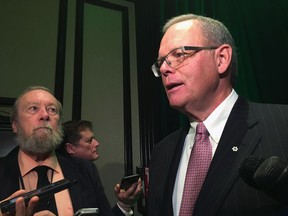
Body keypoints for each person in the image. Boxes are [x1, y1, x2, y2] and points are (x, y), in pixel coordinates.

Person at [147, 13, 288, 216]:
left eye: (179, 55)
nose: (164, 69)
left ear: (221, 59)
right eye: (161, 62)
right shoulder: (162, 152)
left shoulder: (282, 126)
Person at [0, 86, 137, 216]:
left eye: (52, 110)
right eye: (33, 108)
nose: (45, 115)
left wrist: (125, 204)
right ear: (15, 125)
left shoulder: (85, 169)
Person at [57, 120, 142, 209]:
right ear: (70, 148)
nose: (97, 143)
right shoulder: (67, 177)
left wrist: (124, 204)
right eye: (89, 141)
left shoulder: (88, 171)